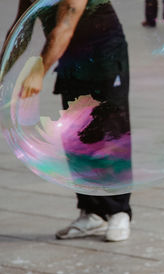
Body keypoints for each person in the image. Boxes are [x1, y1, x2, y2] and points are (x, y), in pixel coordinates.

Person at [8, 0, 133, 242]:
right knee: (77, 134)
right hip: (70, 58)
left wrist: (38, 72)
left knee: (111, 132)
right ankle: (93, 213)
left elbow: (65, 26)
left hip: (104, 53)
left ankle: (119, 211)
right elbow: (19, 31)